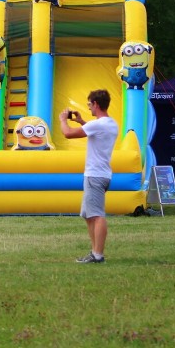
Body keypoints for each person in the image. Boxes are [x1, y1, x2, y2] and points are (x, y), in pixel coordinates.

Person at [59, 89, 118, 264]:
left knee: (97, 215)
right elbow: (95, 132)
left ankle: (98, 255)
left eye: (89, 104)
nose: (88, 107)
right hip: (102, 174)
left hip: (95, 175)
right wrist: (81, 121)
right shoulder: (110, 123)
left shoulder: (98, 125)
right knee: (88, 214)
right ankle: (94, 252)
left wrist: (63, 120)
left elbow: (68, 133)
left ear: (96, 104)